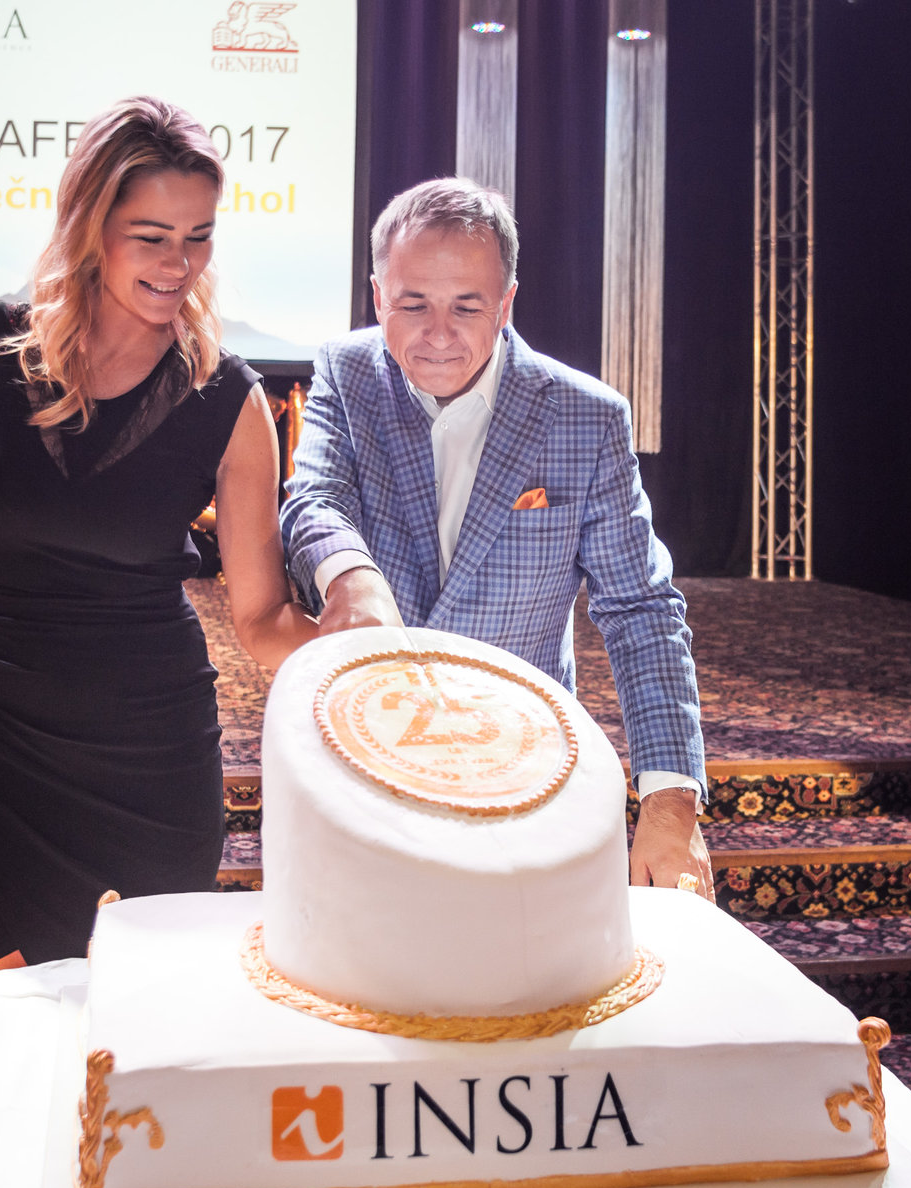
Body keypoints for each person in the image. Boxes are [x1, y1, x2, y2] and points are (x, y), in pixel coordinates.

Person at [0, 97, 315, 988]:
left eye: (198, 237)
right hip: (5, 747)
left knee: (147, 1024)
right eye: (151, 237)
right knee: (23, 1015)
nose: (178, 264)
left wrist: (369, 657)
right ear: (90, 228)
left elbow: (261, 617)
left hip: (154, 754)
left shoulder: (228, 399)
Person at [279, 177, 712, 892]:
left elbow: (641, 609)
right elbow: (315, 500)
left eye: (466, 306)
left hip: (523, 765)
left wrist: (670, 802)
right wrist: (350, 575)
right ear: (378, 296)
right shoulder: (347, 373)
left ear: (506, 302)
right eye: (412, 304)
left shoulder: (587, 418)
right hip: (363, 758)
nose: (437, 333)